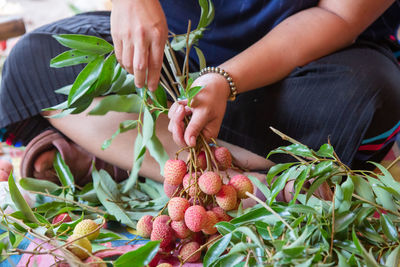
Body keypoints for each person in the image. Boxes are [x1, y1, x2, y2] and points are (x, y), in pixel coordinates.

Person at [0, 0, 399, 187]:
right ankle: (237, 182)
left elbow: (337, 14)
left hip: (307, 63)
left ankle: (122, 156)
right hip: (175, 52)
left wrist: (224, 80)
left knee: (371, 99)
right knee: (34, 58)